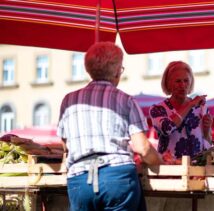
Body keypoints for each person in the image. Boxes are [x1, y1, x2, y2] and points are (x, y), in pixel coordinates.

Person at [57, 42, 162, 211]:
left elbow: (65, 145)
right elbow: (143, 149)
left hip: (79, 181)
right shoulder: (126, 100)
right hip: (117, 178)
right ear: (115, 71)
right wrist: (160, 161)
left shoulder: (69, 101)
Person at [149, 61, 213, 161]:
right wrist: (189, 105)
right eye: (178, 81)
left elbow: (208, 142)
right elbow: (167, 128)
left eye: (186, 80)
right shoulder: (158, 109)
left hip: (197, 168)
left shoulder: (200, 106)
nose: (182, 85)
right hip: (170, 169)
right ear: (168, 83)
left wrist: (207, 129)